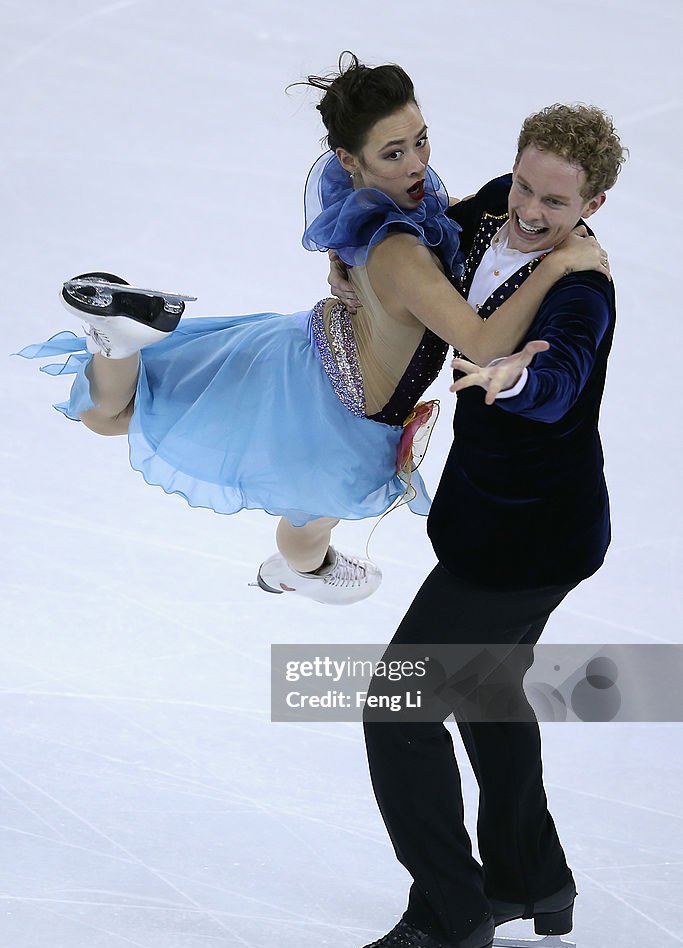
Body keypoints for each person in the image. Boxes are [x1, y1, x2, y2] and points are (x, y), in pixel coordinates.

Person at [17, 55, 607, 607]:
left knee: (112, 414)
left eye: (421, 140)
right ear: (354, 159)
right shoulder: (403, 253)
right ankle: (302, 572)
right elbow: (481, 344)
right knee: (312, 519)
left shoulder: (369, 194)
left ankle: (115, 343)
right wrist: (557, 263)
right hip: (338, 415)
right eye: (394, 153)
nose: (418, 164)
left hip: (302, 347)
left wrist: (344, 258)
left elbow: (442, 218)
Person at [330, 103, 627, 948]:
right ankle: (529, 877)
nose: (532, 212)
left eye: (557, 204)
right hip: (497, 520)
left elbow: (562, 368)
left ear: (595, 205)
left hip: (526, 543)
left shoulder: (582, 291)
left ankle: (450, 916)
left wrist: (514, 372)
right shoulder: (495, 206)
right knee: (488, 689)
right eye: (526, 187)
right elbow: (422, 250)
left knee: (398, 705)